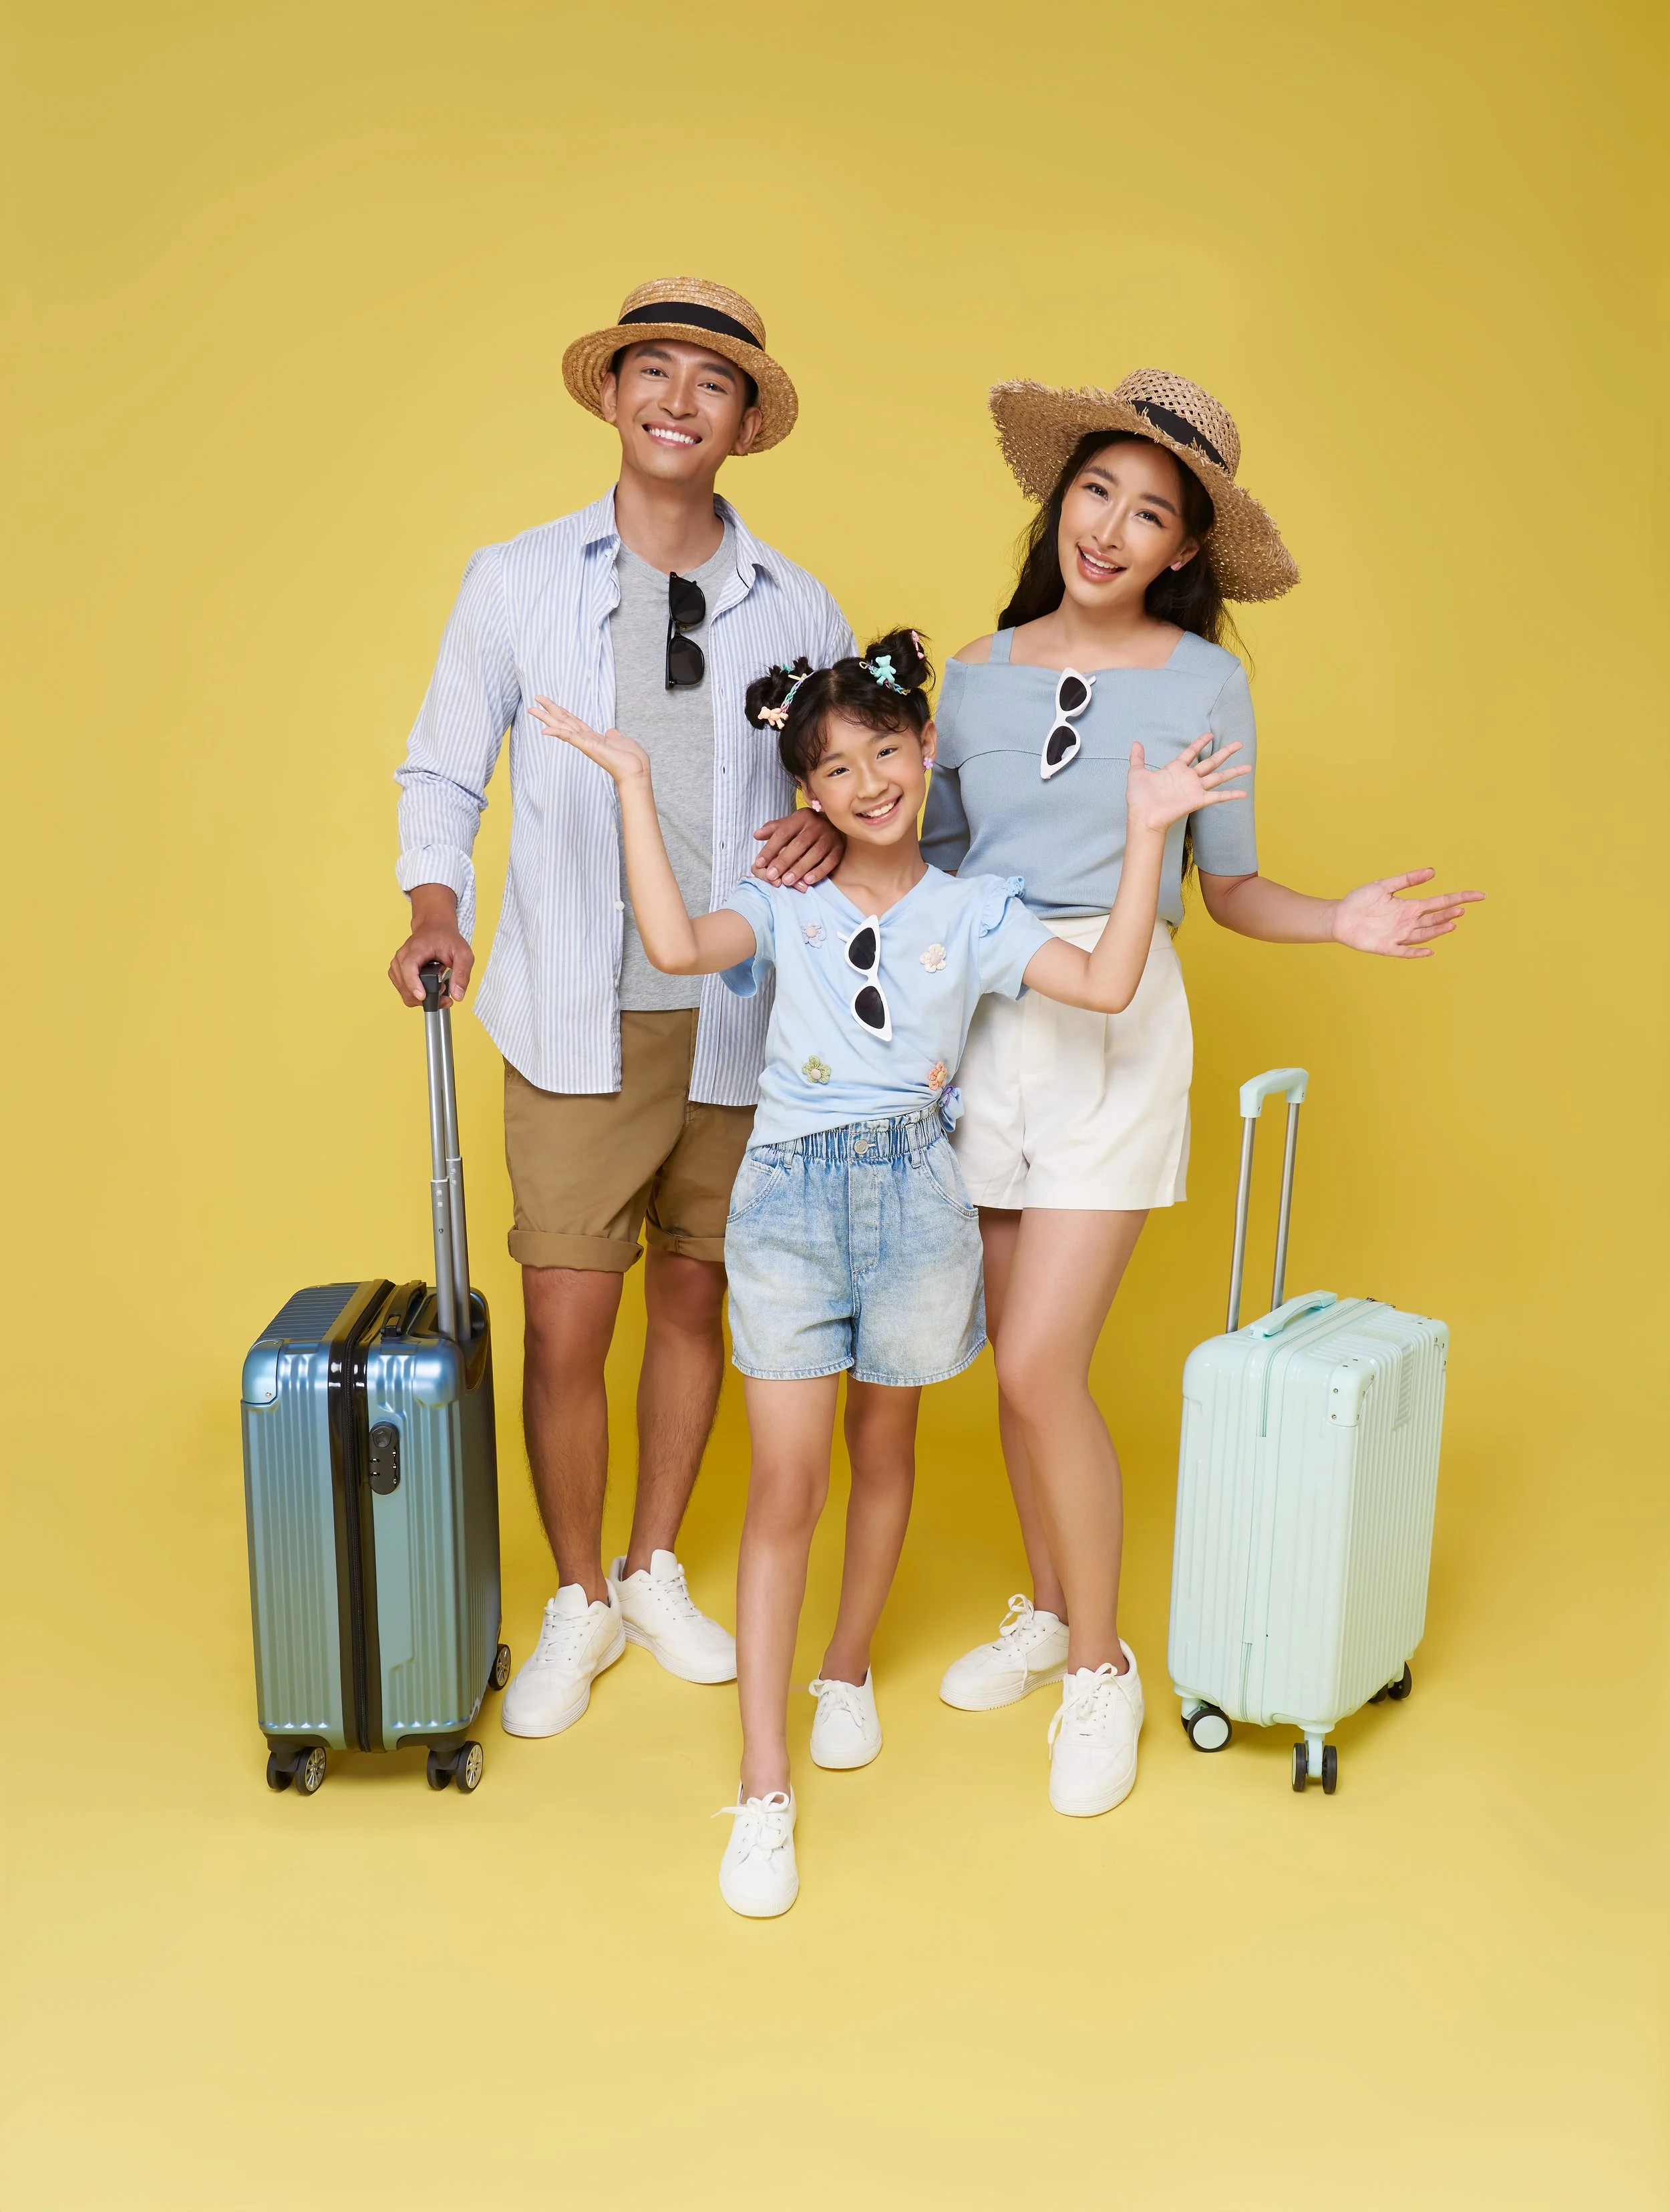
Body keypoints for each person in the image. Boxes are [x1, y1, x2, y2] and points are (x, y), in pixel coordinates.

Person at [531, 628, 1248, 1913]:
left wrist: (1149, 836)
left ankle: (847, 1666)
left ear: (928, 752)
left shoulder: (978, 910)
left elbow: (1108, 978)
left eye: (888, 751)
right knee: (788, 1483)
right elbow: (678, 943)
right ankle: (761, 1788)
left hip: (922, 1195)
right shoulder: (787, 904)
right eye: (837, 769)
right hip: (790, 1207)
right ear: (806, 794)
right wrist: (635, 787)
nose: (869, 782)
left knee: (890, 1451)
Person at [924, 368, 1483, 1811]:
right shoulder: (975, 668)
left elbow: (1221, 886)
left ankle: (1101, 1671)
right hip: (980, 1022)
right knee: (1007, 1354)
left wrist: (1336, 918)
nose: (1108, 528)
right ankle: (1049, 1611)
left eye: (1148, 512)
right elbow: (925, 861)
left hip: (1115, 1027)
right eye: (1095, 492)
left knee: (1046, 1361)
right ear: (1060, 501)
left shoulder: (1203, 681)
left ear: (1184, 550)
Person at [388, 279, 854, 1743]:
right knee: (562, 1318)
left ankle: (655, 1563)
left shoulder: (798, 605)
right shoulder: (514, 578)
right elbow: (440, 771)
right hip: (574, 1011)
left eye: (707, 382)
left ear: (742, 423)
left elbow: (840, 792)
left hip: (736, 1014)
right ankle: (577, 1592)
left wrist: (827, 835)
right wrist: (432, 910)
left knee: (694, 1298)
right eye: (649, 371)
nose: (674, 398)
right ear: (610, 396)